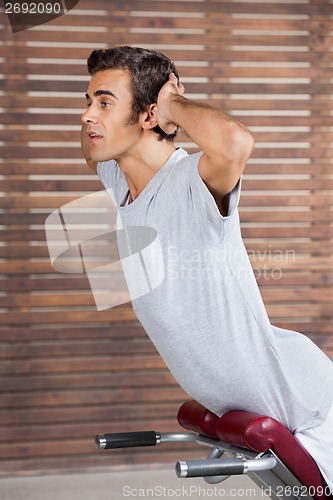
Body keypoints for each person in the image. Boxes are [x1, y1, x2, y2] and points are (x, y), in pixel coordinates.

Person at [80, 46, 333, 491]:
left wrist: (172, 102)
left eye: (104, 103)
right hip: (243, 388)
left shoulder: (191, 181)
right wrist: (123, 108)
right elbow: (90, 149)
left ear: (148, 115)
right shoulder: (120, 183)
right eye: (88, 102)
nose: (87, 116)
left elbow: (237, 142)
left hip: (299, 392)